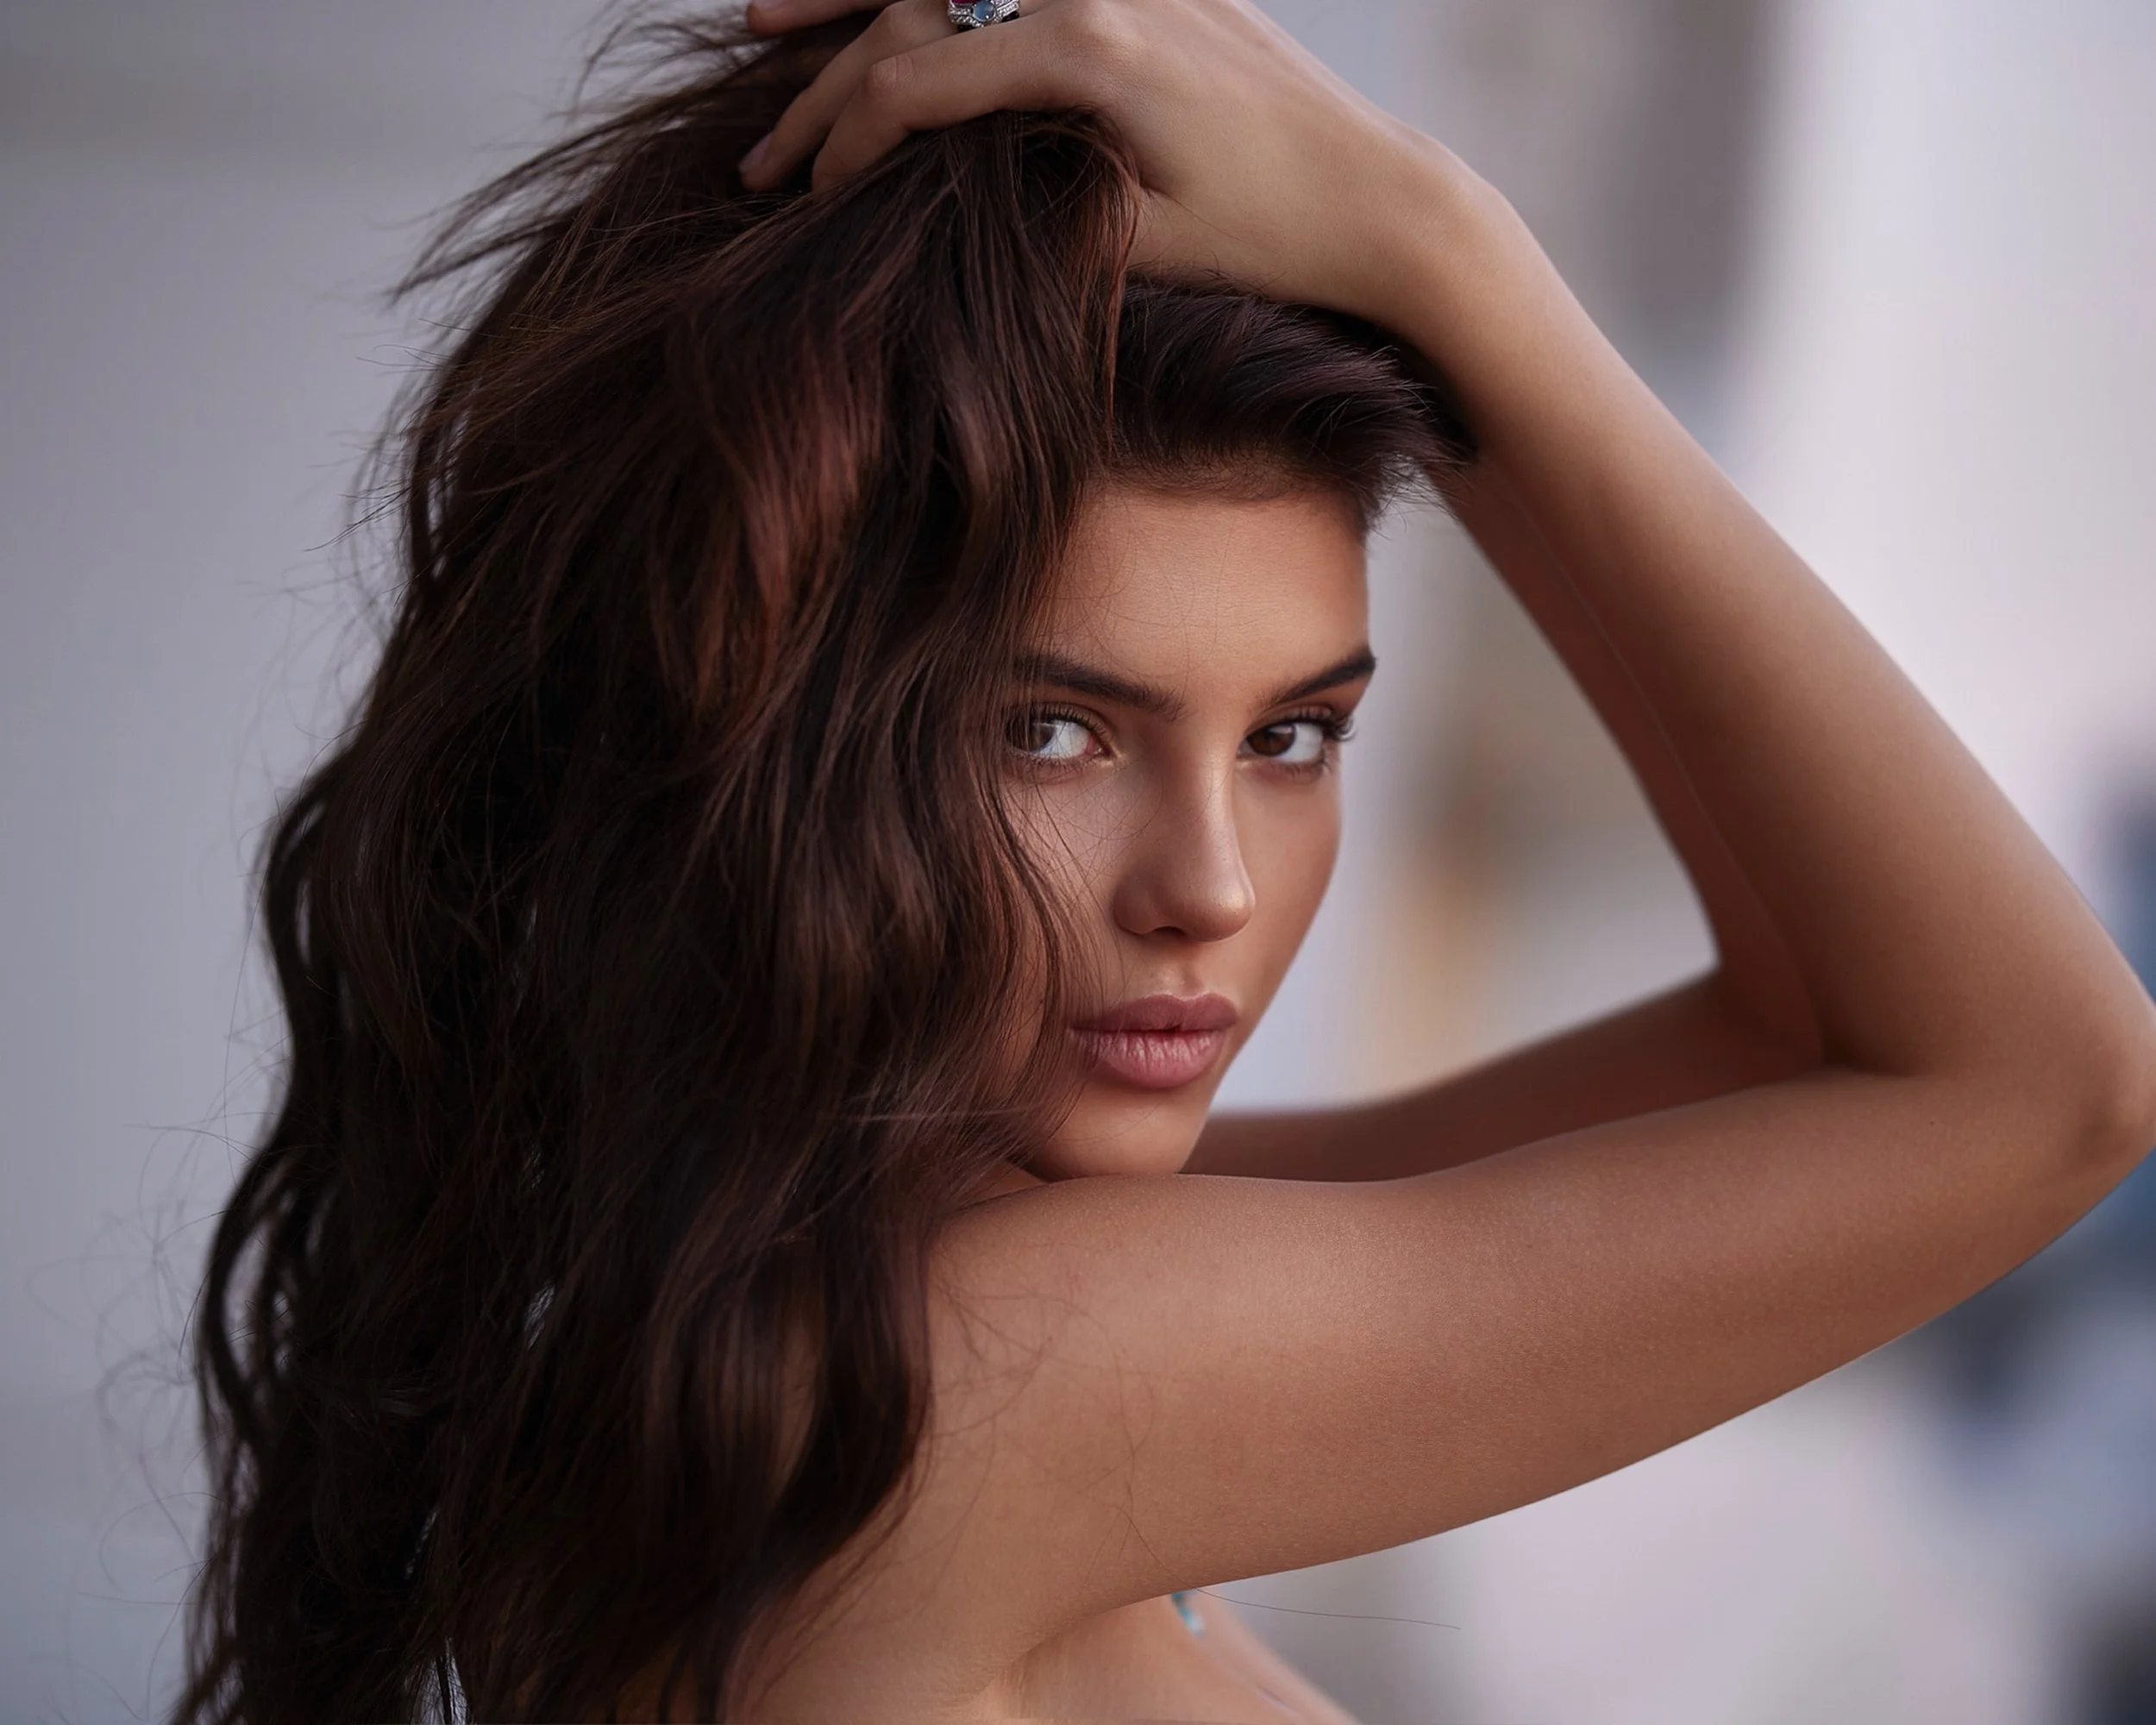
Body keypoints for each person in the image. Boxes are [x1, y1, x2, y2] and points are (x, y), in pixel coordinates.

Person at [175, 1, 2156, 1720]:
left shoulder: (814, 1284)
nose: (1205, 884)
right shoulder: (957, 1380)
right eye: (1050, 728)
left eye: (1292, 733)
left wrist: (1417, 297)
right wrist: (1443, 254)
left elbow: (1818, 1036)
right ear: (743, 713)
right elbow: (2047, 1081)